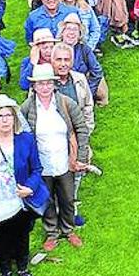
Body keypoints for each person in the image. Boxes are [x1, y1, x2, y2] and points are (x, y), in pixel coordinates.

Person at [0, 96, 49, 276]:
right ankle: (5, 272)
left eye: (8, 115)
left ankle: (23, 269)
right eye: (0, 115)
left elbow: (36, 169)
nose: (4, 119)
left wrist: (30, 187)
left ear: (14, 118)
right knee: (1, 239)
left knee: (21, 237)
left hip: (20, 200)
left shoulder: (26, 139)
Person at [21, 63, 89, 251]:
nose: (44, 87)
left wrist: (81, 156)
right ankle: (52, 232)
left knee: (67, 198)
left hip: (65, 162)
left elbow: (82, 129)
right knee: (46, 198)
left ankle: (68, 229)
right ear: (34, 86)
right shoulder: (27, 108)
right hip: (41, 165)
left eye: (48, 83)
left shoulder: (67, 103)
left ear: (54, 84)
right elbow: (23, 137)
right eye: (40, 84)